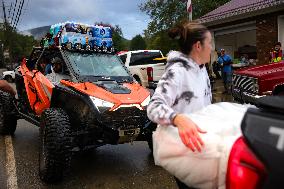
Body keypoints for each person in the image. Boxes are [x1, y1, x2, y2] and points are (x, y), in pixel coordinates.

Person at [147, 21, 212, 189]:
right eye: (210, 43)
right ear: (198, 46)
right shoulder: (177, 72)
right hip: (182, 153)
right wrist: (177, 118)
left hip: (201, 149)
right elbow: (153, 107)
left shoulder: (202, 70)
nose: (212, 48)